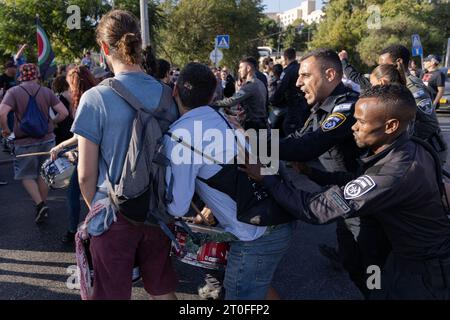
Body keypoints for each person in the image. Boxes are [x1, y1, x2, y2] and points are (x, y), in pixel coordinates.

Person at [244, 84, 450, 300]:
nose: (353, 127)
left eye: (361, 122)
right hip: (402, 258)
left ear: (390, 126)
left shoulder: (393, 172)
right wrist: (311, 173)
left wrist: (266, 178)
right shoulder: (408, 147)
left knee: (379, 291)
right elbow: (357, 182)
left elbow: (316, 209)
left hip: (425, 273)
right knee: (373, 284)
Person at [163, 62, 294, 300]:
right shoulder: (222, 118)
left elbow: (178, 206)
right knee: (258, 286)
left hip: (255, 235)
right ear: (214, 94)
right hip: (277, 217)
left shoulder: (179, 135)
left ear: (175, 91)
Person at [71, 9, 178, 300]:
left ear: (104, 48)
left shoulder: (95, 98)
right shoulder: (167, 94)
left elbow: (85, 174)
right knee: (161, 289)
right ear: (139, 43)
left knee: (110, 293)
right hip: (158, 209)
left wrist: (98, 211)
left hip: (114, 210)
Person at [340, 45, 447, 164]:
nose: (381, 67)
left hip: (427, 152)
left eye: (383, 64)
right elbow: (361, 80)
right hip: (408, 151)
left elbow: (429, 124)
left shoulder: (413, 88)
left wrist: (395, 137)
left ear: (398, 62)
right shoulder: (390, 85)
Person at [0, 63, 68, 223]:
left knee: (25, 174)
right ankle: (42, 203)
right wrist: (52, 122)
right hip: (47, 139)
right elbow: (64, 113)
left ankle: (39, 204)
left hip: (24, 141)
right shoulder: (46, 91)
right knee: (43, 173)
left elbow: (2, 112)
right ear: (36, 75)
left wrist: (6, 130)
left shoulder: (14, 92)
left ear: (20, 76)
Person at [51, 65, 98, 243]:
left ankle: (76, 230)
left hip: (88, 155)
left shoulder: (84, 102)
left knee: (74, 194)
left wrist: (60, 147)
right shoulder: (98, 96)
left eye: (70, 84)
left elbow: (80, 137)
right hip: (101, 154)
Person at [212, 58, 268, 130]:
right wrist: (244, 112)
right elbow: (257, 104)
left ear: (248, 68)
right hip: (262, 124)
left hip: (253, 126)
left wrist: (213, 102)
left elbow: (231, 101)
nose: (239, 70)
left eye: (241, 67)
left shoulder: (249, 86)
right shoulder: (259, 83)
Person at [270, 48, 309, 135]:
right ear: (295, 56)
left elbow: (281, 88)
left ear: (285, 58)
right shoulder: (302, 68)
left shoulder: (287, 71)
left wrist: (272, 101)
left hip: (293, 104)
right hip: (304, 103)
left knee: (288, 127)